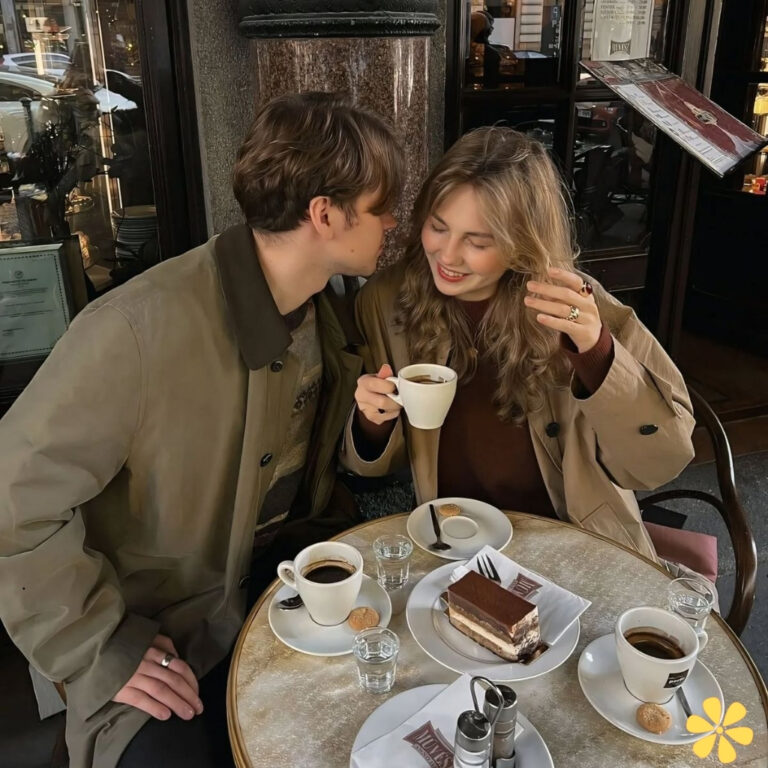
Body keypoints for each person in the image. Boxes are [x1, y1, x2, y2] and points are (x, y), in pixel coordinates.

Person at [0, 92, 401, 768]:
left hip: (295, 595)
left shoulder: (326, 311)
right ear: (325, 214)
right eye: (383, 205)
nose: (394, 222)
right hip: (169, 635)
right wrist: (99, 648)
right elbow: (14, 498)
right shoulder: (136, 333)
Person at [342, 126, 695, 561]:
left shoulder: (573, 304)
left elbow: (661, 461)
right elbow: (371, 464)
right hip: (451, 545)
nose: (448, 255)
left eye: (478, 241)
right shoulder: (387, 301)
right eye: (438, 227)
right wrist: (372, 421)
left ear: (522, 243)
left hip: (575, 543)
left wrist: (598, 354)